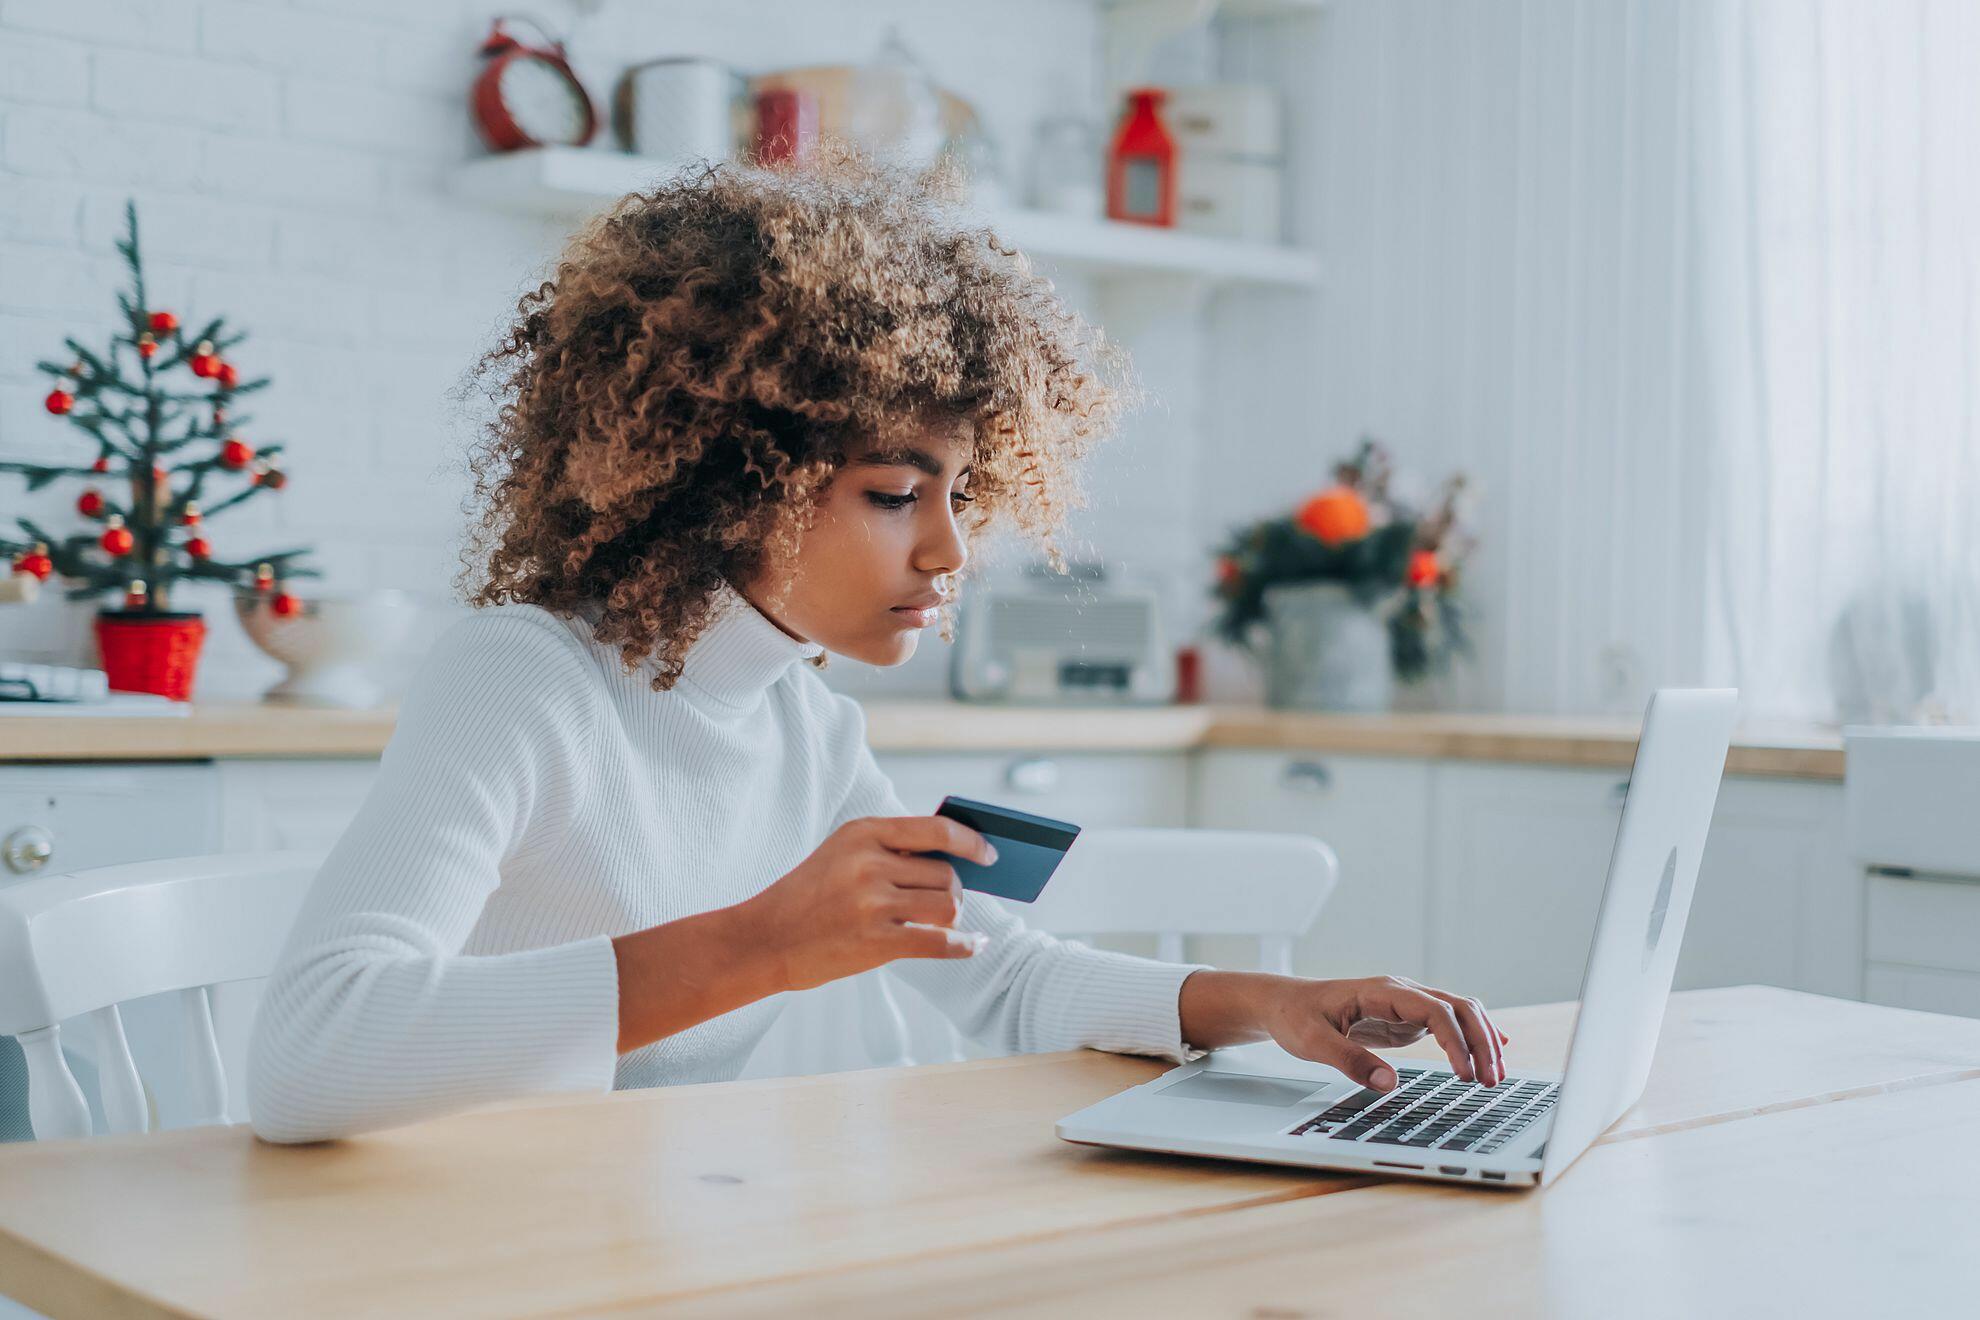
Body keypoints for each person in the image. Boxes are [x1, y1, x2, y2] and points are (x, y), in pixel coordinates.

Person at [246, 153, 1506, 1143]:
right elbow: (311, 1054)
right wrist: (762, 942)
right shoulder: (525, 679)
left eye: (961, 495)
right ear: (726, 479)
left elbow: (1003, 982)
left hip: (647, 1235)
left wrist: (1264, 1005)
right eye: (896, 495)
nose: (951, 552)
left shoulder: (802, 721)